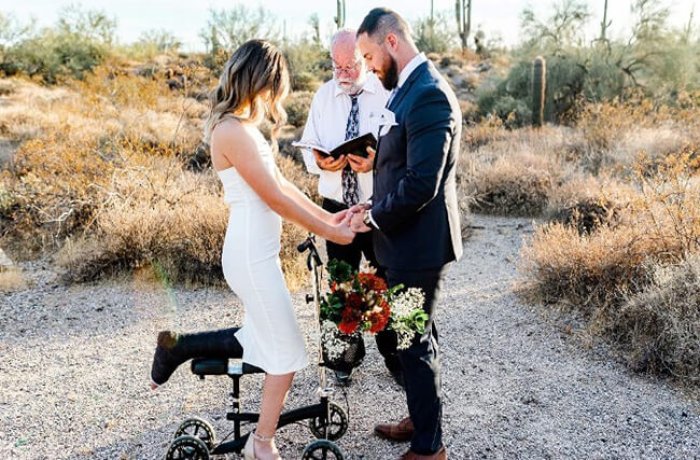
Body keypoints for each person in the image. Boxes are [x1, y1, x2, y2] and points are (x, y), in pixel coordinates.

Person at [149, 39, 355, 460]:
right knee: (288, 355)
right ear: (260, 80)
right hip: (249, 255)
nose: (274, 98)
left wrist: (329, 219)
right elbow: (273, 198)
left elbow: (282, 186)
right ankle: (260, 444)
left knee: (263, 340)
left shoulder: (242, 128)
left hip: (255, 253)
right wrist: (329, 233)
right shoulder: (230, 130)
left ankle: (179, 345)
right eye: (273, 88)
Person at [350, 8, 463, 460]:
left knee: (412, 343)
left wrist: (374, 218)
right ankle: (422, 419)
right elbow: (398, 166)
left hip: (418, 249)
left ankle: (429, 448)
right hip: (404, 244)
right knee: (415, 339)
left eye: (370, 55)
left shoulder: (429, 95)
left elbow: (421, 182)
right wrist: (372, 204)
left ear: (391, 42)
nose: (369, 67)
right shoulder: (408, 90)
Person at [299, 28, 401, 386]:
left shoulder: (388, 94)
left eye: (350, 65)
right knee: (341, 281)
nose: (342, 72)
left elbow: (401, 149)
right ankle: (343, 358)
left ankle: (396, 357)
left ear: (364, 58)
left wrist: (377, 162)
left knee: (385, 281)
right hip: (336, 205)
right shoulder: (323, 96)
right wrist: (319, 163)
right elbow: (307, 145)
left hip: (378, 207)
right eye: (336, 65)